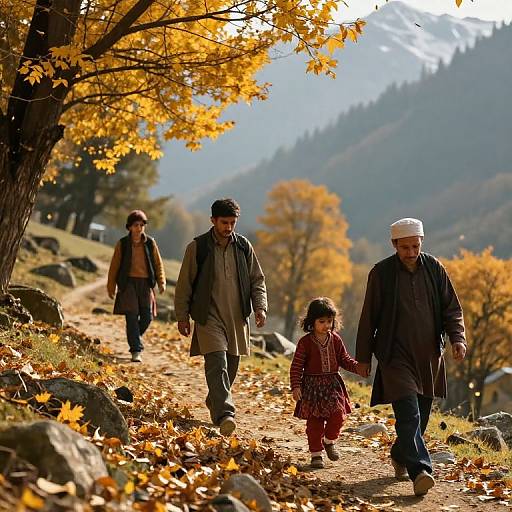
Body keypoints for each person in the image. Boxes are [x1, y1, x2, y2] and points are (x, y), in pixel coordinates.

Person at [355, 218, 466, 496]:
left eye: (415, 246)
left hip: (428, 355)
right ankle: (421, 471)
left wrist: (457, 338)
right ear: (394, 245)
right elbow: (369, 317)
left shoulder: (435, 268)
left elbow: (452, 308)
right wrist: (363, 356)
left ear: (422, 242)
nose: (411, 252)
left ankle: (400, 453)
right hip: (395, 355)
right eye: (405, 247)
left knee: (421, 417)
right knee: (408, 413)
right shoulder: (381, 273)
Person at [174, 198, 267, 436]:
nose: (228, 227)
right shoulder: (198, 248)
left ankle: (215, 399)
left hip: (237, 319)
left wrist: (260, 307)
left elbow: (257, 280)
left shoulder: (244, 247)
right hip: (209, 317)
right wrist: (182, 316)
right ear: (213, 220)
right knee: (217, 364)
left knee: (231, 368)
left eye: (232, 222)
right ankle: (225, 414)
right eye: (224, 222)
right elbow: (184, 285)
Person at [290, 297, 364, 469]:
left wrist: (358, 368)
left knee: (338, 415)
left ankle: (329, 441)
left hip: (332, 385)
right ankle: (316, 455)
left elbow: (344, 360)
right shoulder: (305, 343)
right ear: (312, 322)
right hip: (312, 387)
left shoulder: (336, 339)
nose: (326, 325)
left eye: (329, 321)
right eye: (321, 321)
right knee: (314, 422)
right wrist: (295, 386)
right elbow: (296, 366)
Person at [107, 210, 166, 363]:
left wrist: (161, 282)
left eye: (141, 225)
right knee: (132, 317)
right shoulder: (123, 244)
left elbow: (158, 264)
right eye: (136, 225)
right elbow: (114, 266)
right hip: (128, 284)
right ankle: (136, 350)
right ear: (129, 227)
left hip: (145, 284)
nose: (139, 228)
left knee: (147, 317)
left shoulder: (150, 243)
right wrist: (110, 286)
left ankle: (134, 337)